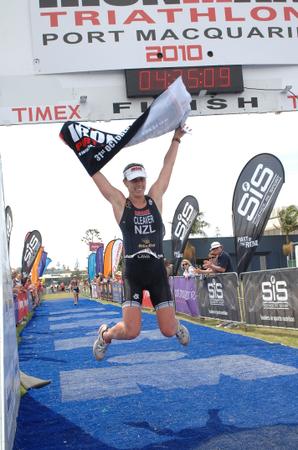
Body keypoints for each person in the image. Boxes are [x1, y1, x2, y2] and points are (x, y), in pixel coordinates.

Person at [92, 126, 190, 361]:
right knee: (132, 331)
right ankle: (105, 335)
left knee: (168, 331)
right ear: (125, 182)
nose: (139, 184)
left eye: (141, 179)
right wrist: (82, 153)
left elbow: (168, 167)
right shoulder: (120, 203)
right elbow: (99, 179)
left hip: (156, 270)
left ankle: (175, 325)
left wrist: (176, 139)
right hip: (133, 273)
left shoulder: (155, 197)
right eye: (133, 180)